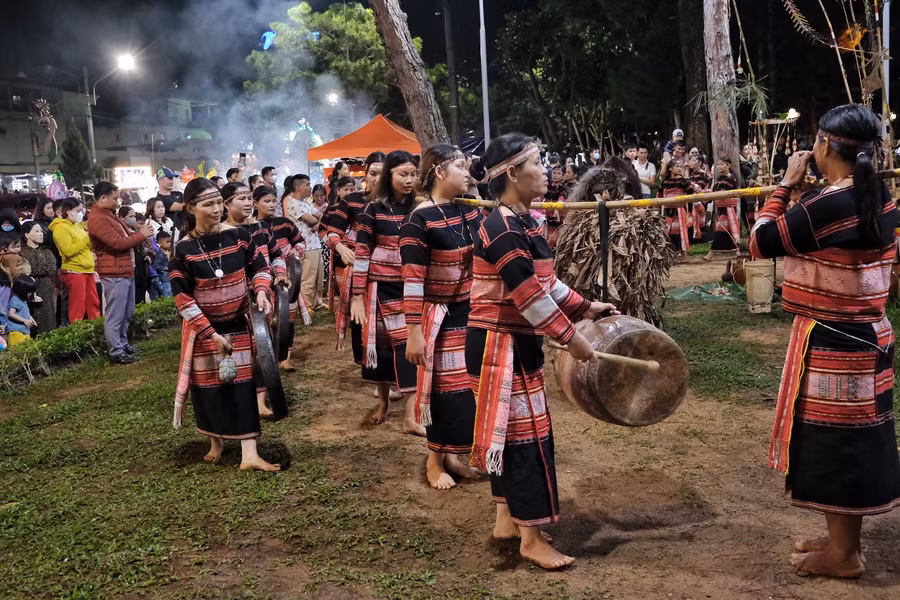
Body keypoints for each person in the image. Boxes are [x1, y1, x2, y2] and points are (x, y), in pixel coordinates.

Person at [750, 105, 900, 579]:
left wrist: (784, 187)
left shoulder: (830, 204)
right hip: (866, 335)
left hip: (836, 344)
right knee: (850, 441)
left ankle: (844, 555)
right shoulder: (878, 194)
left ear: (822, 146)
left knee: (836, 445)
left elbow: (760, 241)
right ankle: (841, 540)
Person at [466, 133, 617, 569]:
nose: (547, 169)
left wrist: (586, 306)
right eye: (538, 162)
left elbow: (548, 285)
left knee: (513, 436)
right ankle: (530, 540)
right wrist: (574, 339)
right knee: (525, 441)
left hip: (514, 342)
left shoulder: (527, 219)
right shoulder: (501, 228)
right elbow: (528, 296)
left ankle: (507, 520)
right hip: (499, 344)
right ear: (512, 173)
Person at [170, 177, 280, 472]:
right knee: (208, 389)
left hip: (238, 322)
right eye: (209, 204)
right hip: (204, 330)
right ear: (192, 208)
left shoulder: (240, 236)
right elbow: (183, 299)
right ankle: (215, 441)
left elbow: (260, 267)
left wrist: (260, 291)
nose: (217, 208)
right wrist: (210, 333)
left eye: (219, 201)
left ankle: (249, 455)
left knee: (243, 385)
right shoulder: (182, 250)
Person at [400, 144, 482, 488]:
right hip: (439, 316)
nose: (467, 173)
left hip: (472, 311)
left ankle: (454, 456)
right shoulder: (419, 220)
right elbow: (413, 279)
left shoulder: (470, 210)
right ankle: (435, 461)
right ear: (438, 172)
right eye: (460, 167)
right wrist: (414, 330)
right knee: (442, 391)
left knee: (467, 391)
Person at [350, 150, 422, 432]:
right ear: (389, 175)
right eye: (403, 174)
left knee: (410, 348)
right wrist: (357, 295)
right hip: (380, 289)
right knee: (379, 352)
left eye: (413, 174)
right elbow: (362, 253)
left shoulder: (419, 208)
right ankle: (383, 403)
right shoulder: (373, 210)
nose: (409, 180)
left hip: (412, 287)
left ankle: (411, 417)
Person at [320, 152, 385, 354]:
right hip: (359, 267)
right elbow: (331, 232)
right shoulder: (352, 201)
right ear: (365, 174)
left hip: (390, 270)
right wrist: (340, 247)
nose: (377, 179)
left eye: (383, 174)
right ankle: (367, 362)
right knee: (362, 317)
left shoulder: (401, 202)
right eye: (373, 173)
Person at [88, 181, 153, 364]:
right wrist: (142, 235)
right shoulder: (98, 219)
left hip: (124, 269)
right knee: (116, 314)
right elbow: (117, 243)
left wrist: (138, 234)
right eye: (115, 198)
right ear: (103, 198)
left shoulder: (109, 214)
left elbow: (125, 237)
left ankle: (123, 344)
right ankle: (115, 350)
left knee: (127, 312)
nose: (118, 202)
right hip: (114, 272)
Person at [254, 185, 310, 371]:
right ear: (255, 203)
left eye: (273, 202)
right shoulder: (250, 227)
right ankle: (266, 355)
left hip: (285, 278)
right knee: (264, 319)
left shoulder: (285, 223)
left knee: (287, 319)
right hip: (260, 280)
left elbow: (301, 241)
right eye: (266, 201)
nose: (271, 205)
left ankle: (285, 357)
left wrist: (294, 253)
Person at [50, 198, 100, 322]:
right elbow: (68, 251)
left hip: (87, 269)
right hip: (74, 271)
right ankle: (77, 335)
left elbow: (88, 245)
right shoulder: (60, 228)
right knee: (78, 307)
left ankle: (97, 332)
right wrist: (86, 239)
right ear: (68, 211)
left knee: (93, 304)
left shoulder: (77, 226)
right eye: (78, 210)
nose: (81, 213)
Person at [286, 175, 324, 310]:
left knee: (319, 277)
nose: (310, 187)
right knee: (308, 278)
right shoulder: (293, 203)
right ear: (298, 187)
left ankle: (317, 302)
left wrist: (316, 220)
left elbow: (320, 216)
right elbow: (313, 220)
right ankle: (306, 307)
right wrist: (316, 221)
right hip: (306, 246)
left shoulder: (306, 203)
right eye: (307, 185)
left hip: (315, 244)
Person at [20, 221, 57, 334]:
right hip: (27, 288)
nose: (41, 234)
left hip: (46, 287)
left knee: (47, 315)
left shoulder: (46, 251)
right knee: (30, 313)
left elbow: (51, 268)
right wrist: (35, 270)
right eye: (36, 231)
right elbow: (23, 269)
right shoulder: (21, 251)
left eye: (41, 231)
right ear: (27, 235)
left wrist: (33, 270)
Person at [658, 159, 698, 257]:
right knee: (667, 232)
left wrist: (689, 213)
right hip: (666, 211)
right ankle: (670, 254)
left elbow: (690, 196)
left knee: (679, 232)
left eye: (681, 166)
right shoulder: (664, 182)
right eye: (677, 166)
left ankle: (684, 254)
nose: (679, 168)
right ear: (670, 168)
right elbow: (659, 197)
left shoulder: (683, 181)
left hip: (679, 211)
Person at [704, 159, 741, 259]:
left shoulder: (732, 179)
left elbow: (726, 192)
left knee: (720, 229)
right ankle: (737, 252)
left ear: (728, 165)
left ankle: (710, 254)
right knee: (729, 230)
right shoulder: (719, 178)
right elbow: (714, 191)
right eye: (718, 164)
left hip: (729, 208)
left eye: (721, 164)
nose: (719, 166)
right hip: (721, 208)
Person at [151, 168, 185, 236]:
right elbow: (183, 207)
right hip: (172, 236)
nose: (172, 181)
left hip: (185, 232)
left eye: (172, 179)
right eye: (169, 178)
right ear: (160, 180)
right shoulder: (159, 200)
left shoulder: (178, 194)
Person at [6, 275, 37, 345]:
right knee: (16, 353)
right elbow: (11, 314)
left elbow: (25, 312)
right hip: (16, 331)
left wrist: (31, 318)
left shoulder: (23, 300)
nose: (31, 294)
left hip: (25, 330)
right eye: (29, 292)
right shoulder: (15, 300)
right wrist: (24, 320)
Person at [151, 232, 173, 298]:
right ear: (160, 243)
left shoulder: (169, 252)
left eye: (170, 242)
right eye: (167, 242)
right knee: (167, 294)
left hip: (170, 276)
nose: (169, 244)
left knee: (171, 293)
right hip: (164, 278)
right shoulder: (160, 254)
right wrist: (164, 268)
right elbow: (156, 265)